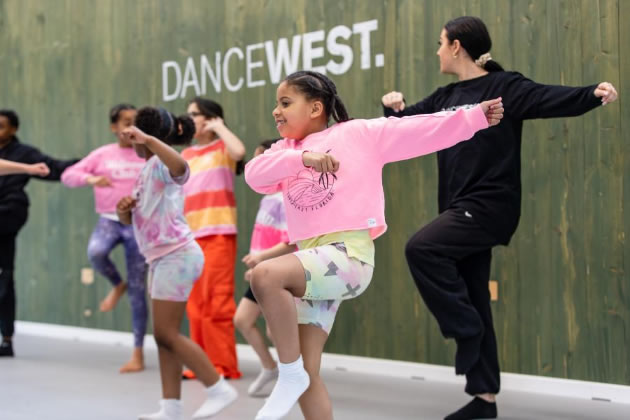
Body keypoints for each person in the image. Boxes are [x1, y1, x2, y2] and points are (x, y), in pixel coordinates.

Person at [381, 16, 618, 420]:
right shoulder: (444, 97)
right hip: (458, 207)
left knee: (421, 248)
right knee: (475, 293)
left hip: (490, 206)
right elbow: (405, 129)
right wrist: (392, 109)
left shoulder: (503, 87)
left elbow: (546, 98)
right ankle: (484, 399)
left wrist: (591, 94)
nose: (437, 51)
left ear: (457, 46)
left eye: (440, 43)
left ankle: (464, 327)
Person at [244, 70, 503, 420]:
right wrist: (301, 158)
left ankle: (287, 373)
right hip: (313, 264)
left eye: (286, 103)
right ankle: (296, 374)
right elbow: (254, 174)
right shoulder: (285, 151)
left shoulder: (357, 134)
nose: (276, 111)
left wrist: (472, 117)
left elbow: (419, 129)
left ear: (316, 107)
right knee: (310, 372)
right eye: (277, 104)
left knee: (264, 276)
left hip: (348, 258)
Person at [116, 107, 237, 420]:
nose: (130, 140)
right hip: (161, 259)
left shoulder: (160, 162)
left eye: (136, 135)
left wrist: (148, 140)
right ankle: (171, 407)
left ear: (147, 137)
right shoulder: (147, 169)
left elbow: (182, 167)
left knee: (167, 334)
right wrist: (125, 212)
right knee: (163, 336)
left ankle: (218, 388)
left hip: (177, 255)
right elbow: (142, 218)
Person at [61, 104, 148, 373]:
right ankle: (116, 284)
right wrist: (91, 179)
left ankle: (137, 353)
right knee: (96, 253)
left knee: (138, 291)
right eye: (124, 122)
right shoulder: (102, 154)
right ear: (114, 127)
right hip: (109, 221)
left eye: (135, 122)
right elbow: (68, 175)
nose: (129, 127)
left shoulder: (146, 154)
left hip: (139, 226)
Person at [0, 109, 78, 357]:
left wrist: (90, 165)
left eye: (2, 126)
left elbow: (51, 168)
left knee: (4, 278)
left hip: (9, 212)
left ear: (13, 129)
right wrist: (29, 168)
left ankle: (7, 338)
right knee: (4, 277)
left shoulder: (25, 153)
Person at [180, 97, 246, 380]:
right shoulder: (186, 156)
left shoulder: (223, 149)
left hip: (218, 233)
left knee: (217, 302)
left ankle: (223, 365)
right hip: (189, 238)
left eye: (194, 114)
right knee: (195, 304)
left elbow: (240, 150)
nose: (190, 119)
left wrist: (220, 127)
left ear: (208, 117)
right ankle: (201, 364)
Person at [234, 139, 295, 397]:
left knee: (275, 329)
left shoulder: (287, 198)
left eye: (260, 160)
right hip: (263, 271)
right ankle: (270, 368)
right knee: (242, 320)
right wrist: (257, 262)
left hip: (280, 273)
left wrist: (261, 260)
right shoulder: (267, 198)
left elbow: (292, 243)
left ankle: (294, 377)